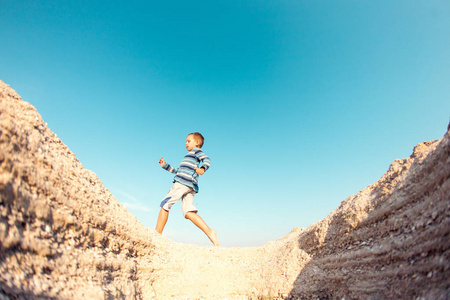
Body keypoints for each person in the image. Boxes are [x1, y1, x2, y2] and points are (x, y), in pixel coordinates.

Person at [155, 132, 219, 246]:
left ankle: (156, 235)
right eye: (186, 141)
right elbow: (178, 171)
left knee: (165, 203)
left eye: (189, 141)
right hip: (191, 186)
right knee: (188, 212)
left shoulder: (196, 151)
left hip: (182, 183)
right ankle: (210, 232)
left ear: (197, 143)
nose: (186, 143)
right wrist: (165, 165)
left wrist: (203, 168)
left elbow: (207, 160)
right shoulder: (189, 157)